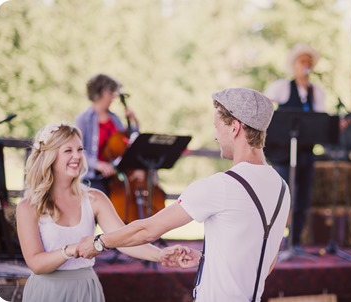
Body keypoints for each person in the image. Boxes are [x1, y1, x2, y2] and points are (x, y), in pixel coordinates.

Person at [76, 88, 291, 302]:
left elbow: (147, 230)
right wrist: (210, 261)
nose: (216, 136)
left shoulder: (222, 185)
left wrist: (99, 242)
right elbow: (265, 264)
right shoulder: (281, 187)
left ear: (235, 127)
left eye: (217, 127)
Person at [16, 122, 184, 302]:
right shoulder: (28, 207)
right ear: (50, 156)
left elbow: (124, 240)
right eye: (68, 151)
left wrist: (160, 254)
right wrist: (70, 250)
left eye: (80, 150)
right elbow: (36, 264)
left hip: (86, 290)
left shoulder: (95, 199)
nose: (77, 156)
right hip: (46, 293)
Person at [264, 43, 326, 254]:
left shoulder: (316, 91)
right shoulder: (281, 87)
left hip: (306, 153)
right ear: (295, 65)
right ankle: (273, 241)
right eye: (302, 61)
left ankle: (295, 240)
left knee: (302, 198)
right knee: (281, 196)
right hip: (282, 153)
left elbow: (320, 121)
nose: (306, 65)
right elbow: (265, 108)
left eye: (309, 61)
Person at [75, 73, 140, 195]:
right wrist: (98, 165)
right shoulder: (83, 119)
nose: (113, 98)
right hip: (93, 178)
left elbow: (129, 140)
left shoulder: (114, 119)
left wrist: (134, 121)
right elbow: (78, 150)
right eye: (111, 93)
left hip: (115, 177)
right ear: (102, 93)